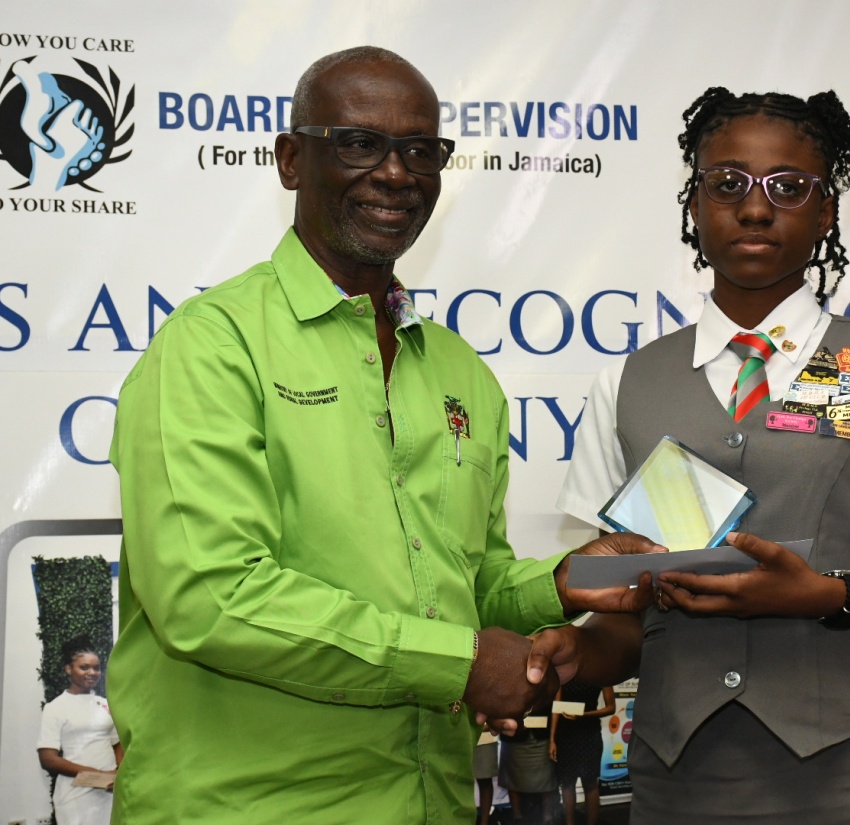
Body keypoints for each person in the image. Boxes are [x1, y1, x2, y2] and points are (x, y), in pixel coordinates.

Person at [107, 46, 658, 825]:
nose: (397, 173)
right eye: (360, 143)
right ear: (292, 159)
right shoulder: (212, 346)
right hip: (242, 807)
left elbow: (464, 583)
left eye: (421, 150)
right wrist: (463, 665)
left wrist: (562, 584)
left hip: (428, 799)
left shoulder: (461, 374)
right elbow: (212, 596)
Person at [531, 87, 850, 824]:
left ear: (825, 213)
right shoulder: (625, 383)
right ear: (694, 205)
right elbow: (629, 615)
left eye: (789, 188)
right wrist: (575, 650)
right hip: (686, 782)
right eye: (728, 184)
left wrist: (825, 595)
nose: (756, 208)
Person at [37, 638, 123, 825]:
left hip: (108, 795)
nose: (92, 672)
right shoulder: (55, 708)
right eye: (84, 667)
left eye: (96, 667)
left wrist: (119, 775)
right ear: (69, 669)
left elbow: (117, 745)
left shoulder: (105, 705)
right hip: (75, 797)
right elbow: (48, 759)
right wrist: (95, 776)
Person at [549, 682, 615, 825]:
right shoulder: (565, 673)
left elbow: (611, 707)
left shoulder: (601, 673)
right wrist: (552, 739)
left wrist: (584, 715)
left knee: (590, 783)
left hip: (589, 734)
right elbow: (557, 705)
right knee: (567, 782)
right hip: (566, 734)